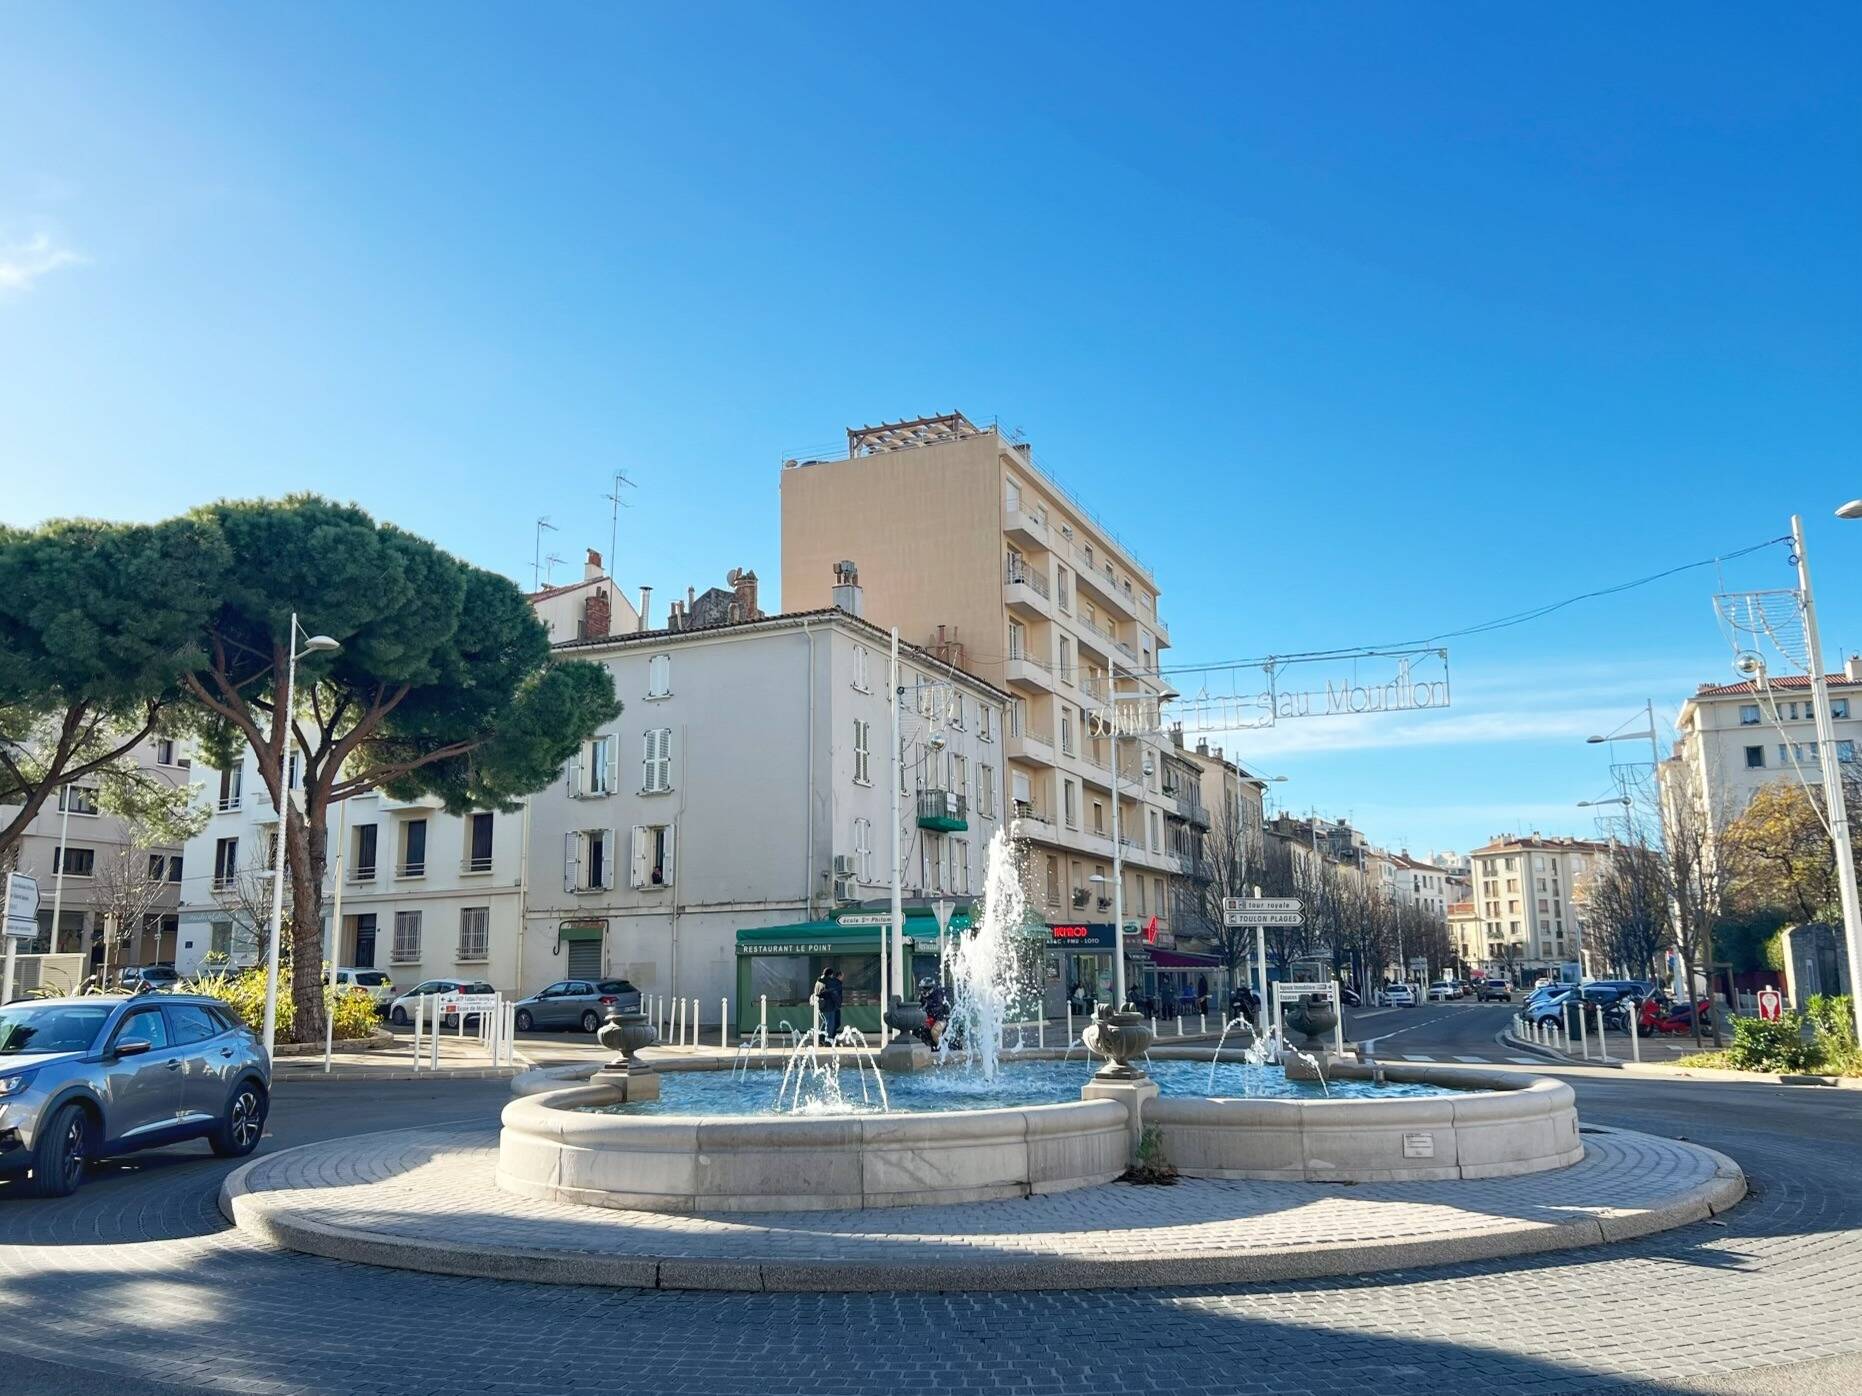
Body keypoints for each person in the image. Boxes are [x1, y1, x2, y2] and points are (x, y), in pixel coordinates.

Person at [812, 966, 843, 1040]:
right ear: (831, 974)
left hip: (821, 1005)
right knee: (830, 1024)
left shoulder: (818, 982)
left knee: (825, 1022)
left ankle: (820, 1039)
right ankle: (828, 1040)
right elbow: (833, 994)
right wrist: (838, 1003)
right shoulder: (829, 982)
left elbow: (816, 992)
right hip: (829, 1006)